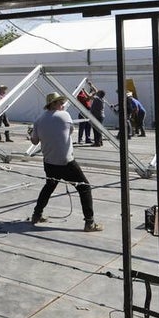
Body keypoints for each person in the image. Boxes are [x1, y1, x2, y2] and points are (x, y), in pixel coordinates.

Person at [29, 92, 102, 232]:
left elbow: (35, 141)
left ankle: (36, 215)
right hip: (66, 161)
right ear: (53, 104)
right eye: (60, 103)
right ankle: (89, 223)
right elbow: (69, 132)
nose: (63, 105)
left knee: (49, 187)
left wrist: (32, 134)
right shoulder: (65, 116)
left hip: (49, 162)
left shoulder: (38, 120)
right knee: (84, 187)